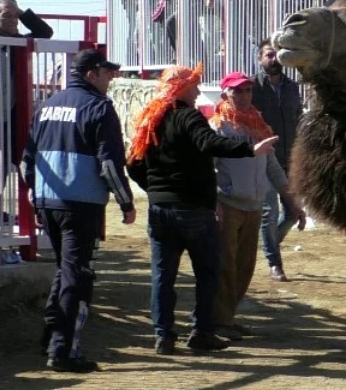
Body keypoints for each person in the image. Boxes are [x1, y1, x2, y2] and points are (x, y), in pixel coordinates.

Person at [126, 64, 278, 355]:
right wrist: (249, 150)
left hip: (161, 210)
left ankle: (164, 336)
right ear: (182, 88)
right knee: (209, 272)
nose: (198, 91)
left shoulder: (151, 119)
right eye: (194, 85)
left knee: (163, 275)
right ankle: (201, 331)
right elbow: (209, 142)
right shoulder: (187, 116)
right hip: (193, 209)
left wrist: (156, 190)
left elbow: (133, 162)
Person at [21, 50, 135, 373]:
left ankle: (50, 336)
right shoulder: (99, 107)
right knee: (77, 274)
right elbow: (110, 163)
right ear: (90, 75)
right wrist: (126, 202)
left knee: (65, 269)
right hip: (80, 204)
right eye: (106, 73)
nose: (111, 79)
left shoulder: (46, 106)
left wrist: (34, 190)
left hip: (47, 202)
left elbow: (26, 159)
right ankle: (63, 351)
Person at [210, 72, 303, 341]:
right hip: (228, 204)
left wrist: (292, 200)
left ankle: (228, 317)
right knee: (226, 265)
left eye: (248, 91)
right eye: (237, 91)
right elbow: (209, 167)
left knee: (245, 266)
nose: (243, 96)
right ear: (225, 93)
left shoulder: (258, 123)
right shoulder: (218, 126)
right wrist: (214, 201)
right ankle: (219, 320)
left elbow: (272, 166)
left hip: (254, 205)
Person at [252, 43, 305, 282]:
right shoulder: (252, 88)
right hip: (264, 159)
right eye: (268, 55)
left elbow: (298, 120)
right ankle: (275, 264)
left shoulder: (293, 88)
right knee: (269, 213)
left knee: (293, 213)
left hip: (289, 159)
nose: (273, 59)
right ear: (260, 58)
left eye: (276, 55)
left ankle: (271, 242)